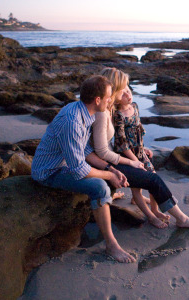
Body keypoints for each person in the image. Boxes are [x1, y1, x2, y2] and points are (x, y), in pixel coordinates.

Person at [31, 75, 136, 263]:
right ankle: (111, 245)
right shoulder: (72, 121)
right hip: (49, 172)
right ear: (98, 100)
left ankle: (106, 200)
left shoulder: (85, 112)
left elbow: (85, 151)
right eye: (109, 97)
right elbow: (79, 169)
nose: (111, 100)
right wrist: (108, 175)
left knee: (105, 177)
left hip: (64, 164)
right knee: (100, 186)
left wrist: (110, 168)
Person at [91, 67, 189, 231]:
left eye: (127, 88)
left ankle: (153, 207)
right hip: (105, 163)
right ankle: (180, 218)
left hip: (112, 158)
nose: (127, 93)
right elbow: (103, 151)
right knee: (153, 180)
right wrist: (131, 162)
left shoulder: (110, 110)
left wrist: (141, 151)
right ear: (112, 90)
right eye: (122, 89)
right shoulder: (104, 114)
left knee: (149, 168)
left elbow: (133, 132)